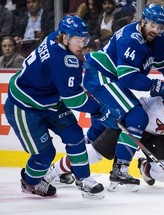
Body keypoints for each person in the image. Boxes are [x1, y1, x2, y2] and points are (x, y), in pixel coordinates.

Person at [45, 3, 164, 192]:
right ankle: (120, 169)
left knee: (99, 133)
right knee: (137, 117)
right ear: (143, 21)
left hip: (108, 79)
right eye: (152, 25)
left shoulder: (156, 39)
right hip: (101, 76)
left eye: (160, 27)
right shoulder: (130, 39)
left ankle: (58, 171)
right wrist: (156, 86)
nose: (156, 30)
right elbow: (129, 78)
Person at [4, 15, 119, 199]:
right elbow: (74, 100)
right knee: (44, 155)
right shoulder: (63, 62)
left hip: (50, 99)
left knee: (74, 134)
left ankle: (83, 178)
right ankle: (29, 182)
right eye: (77, 40)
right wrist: (100, 110)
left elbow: (68, 86)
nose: (81, 44)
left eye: (83, 40)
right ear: (65, 38)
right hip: (24, 106)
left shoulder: (54, 37)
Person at [43, 75, 164, 187]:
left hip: (156, 134)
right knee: (94, 155)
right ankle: (54, 171)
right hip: (134, 123)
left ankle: (142, 166)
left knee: (162, 174)